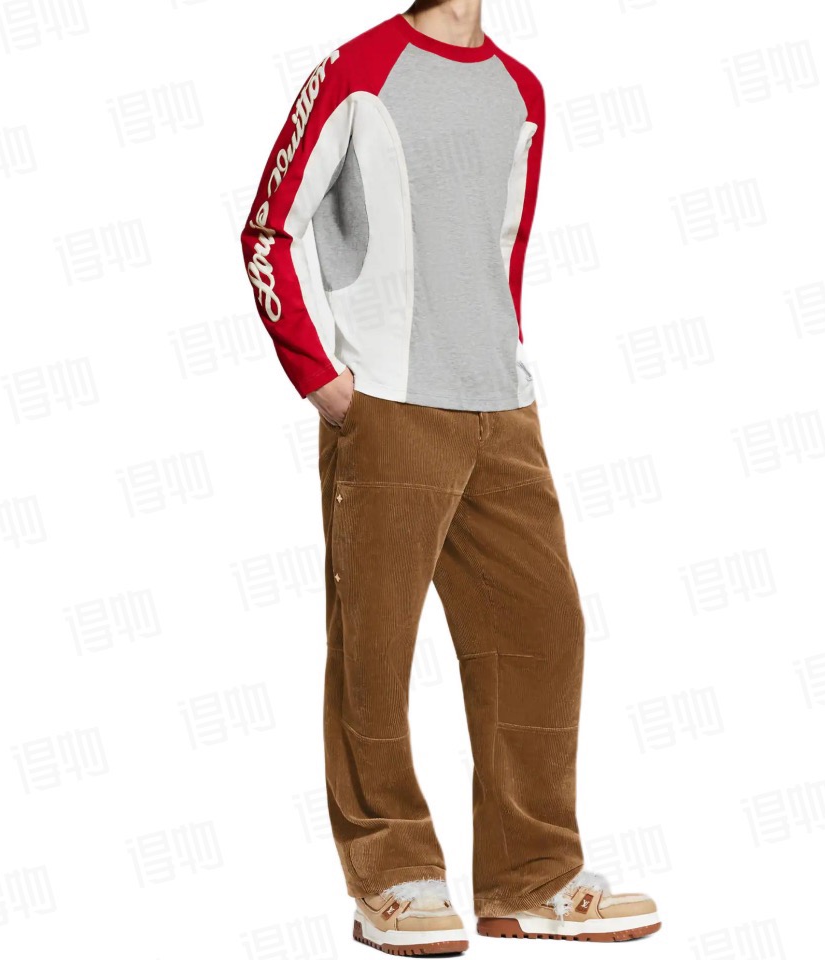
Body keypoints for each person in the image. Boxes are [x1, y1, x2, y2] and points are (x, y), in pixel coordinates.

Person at [240, 1, 661, 952]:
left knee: (543, 633)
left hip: (502, 407)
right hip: (387, 405)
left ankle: (531, 879)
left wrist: (503, 360)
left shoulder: (522, 91)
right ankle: (392, 877)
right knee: (375, 651)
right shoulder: (356, 70)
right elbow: (268, 229)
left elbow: (502, 249)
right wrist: (322, 377)